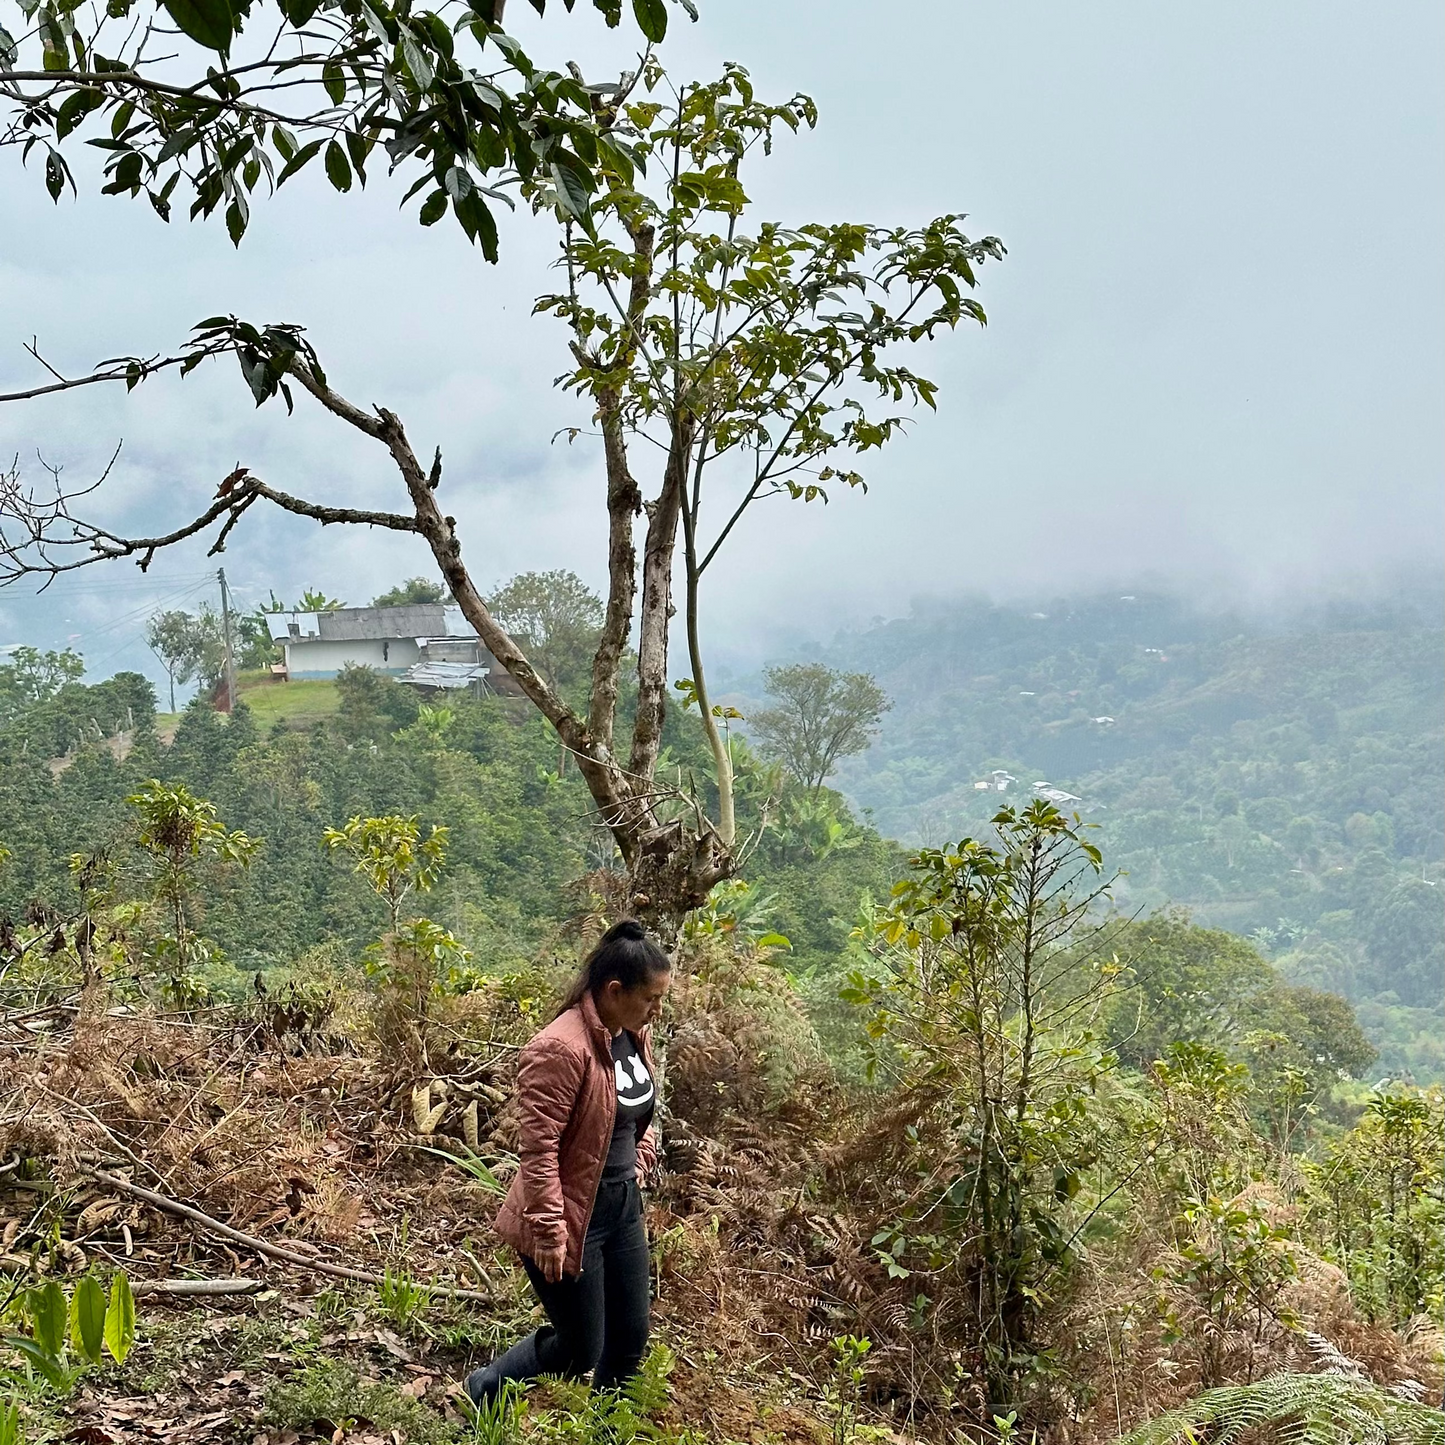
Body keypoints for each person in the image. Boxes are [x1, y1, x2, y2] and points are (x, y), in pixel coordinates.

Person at [465, 919, 672, 1405]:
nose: (657, 1012)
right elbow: (538, 1151)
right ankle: (486, 1386)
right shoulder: (560, 1047)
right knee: (582, 1349)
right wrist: (551, 1231)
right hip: (572, 1215)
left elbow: (634, 1112)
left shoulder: (628, 1033)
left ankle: (607, 1432)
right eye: (651, 999)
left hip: (622, 1207)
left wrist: (639, 1159)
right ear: (615, 990)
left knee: (629, 1341)